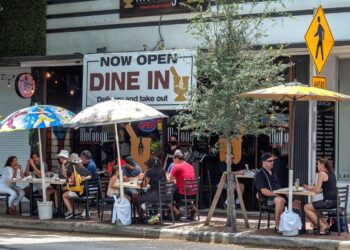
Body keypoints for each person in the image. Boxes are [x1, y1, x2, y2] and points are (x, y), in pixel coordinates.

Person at [304, 157, 337, 235]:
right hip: (335, 201)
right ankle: (326, 225)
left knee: (306, 207)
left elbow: (317, 190)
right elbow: (322, 187)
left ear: (322, 165)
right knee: (315, 208)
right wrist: (311, 188)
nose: (317, 166)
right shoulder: (332, 173)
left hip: (328, 202)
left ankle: (322, 226)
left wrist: (309, 189)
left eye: (318, 164)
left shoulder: (321, 173)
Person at [254, 153, 286, 233]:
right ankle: (277, 225)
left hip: (277, 195)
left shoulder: (273, 172)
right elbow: (264, 191)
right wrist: (277, 194)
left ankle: (297, 225)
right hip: (267, 199)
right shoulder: (259, 174)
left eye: (273, 161)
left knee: (297, 201)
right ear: (264, 162)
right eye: (270, 161)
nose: (272, 162)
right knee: (280, 200)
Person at [62, 153, 92, 219]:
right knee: (68, 193)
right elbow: (90, 175)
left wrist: (63, 165)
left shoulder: (71, 167)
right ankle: (74, 211)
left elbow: (65, 176)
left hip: (78, 191)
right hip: (85, 190)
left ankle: (71, 211)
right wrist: (85, 178)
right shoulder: (81, 167)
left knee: (64, 195)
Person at [137, 157, 167, 224]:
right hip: (163, 195)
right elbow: (166, 182)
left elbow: (144, 184)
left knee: (139, 200)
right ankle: (153, 216)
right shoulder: (162, 171)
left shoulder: (149, 171)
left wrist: (145, 174)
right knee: (148, 195)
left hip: (154, 195)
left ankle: (146, 217)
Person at [169, 149, 197, 220]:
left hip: (183, 194)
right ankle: (193, 207)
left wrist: (175, 181)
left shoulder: (176, 166)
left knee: (167, 197)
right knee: (180, 193)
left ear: (177, 158)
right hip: (193, 193)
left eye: (173, 159)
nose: (173, 161)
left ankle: (177, 212)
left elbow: (170, 180)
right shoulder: (190, 166)